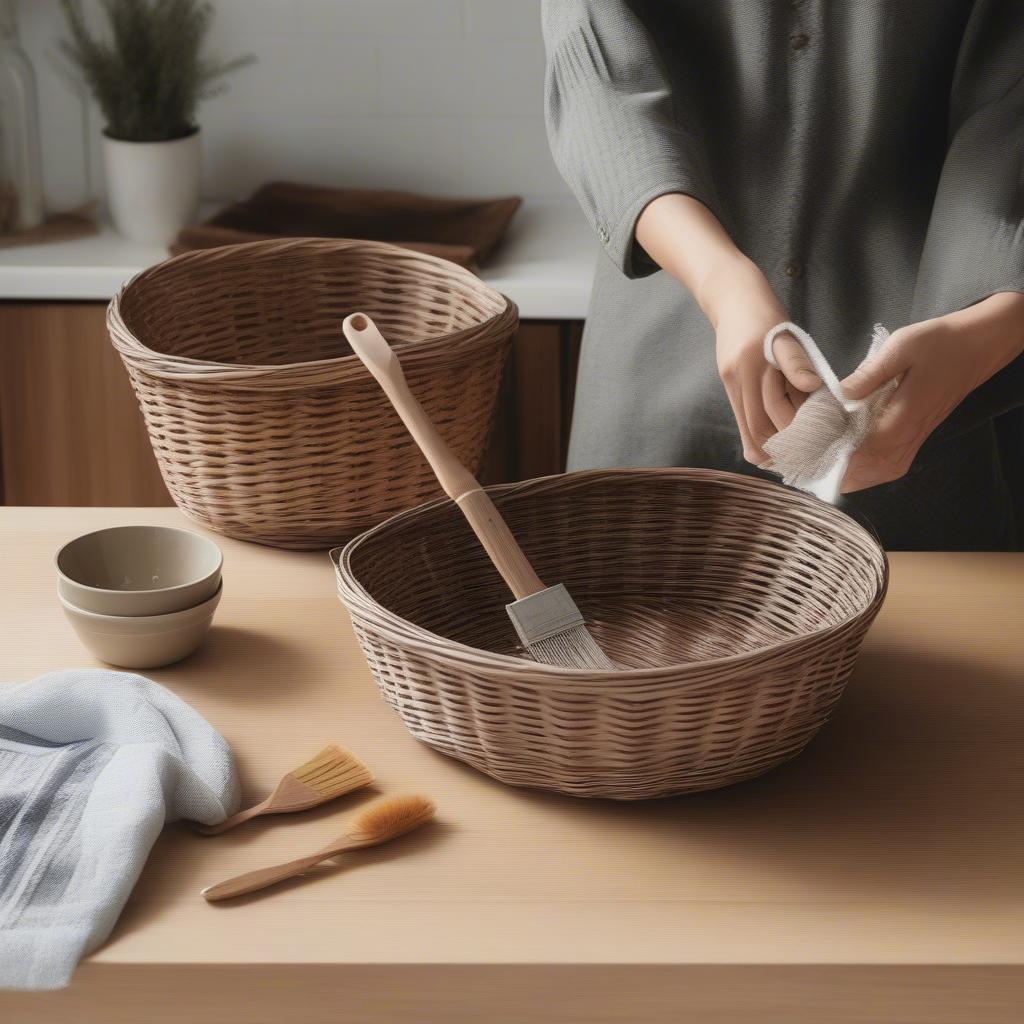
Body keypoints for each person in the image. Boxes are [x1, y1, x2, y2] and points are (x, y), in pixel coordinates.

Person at [542, 0, 1024, 549]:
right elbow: (602, 88)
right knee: (630, 609)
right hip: (667, 349)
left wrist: (994, 324)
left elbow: (1012, 102)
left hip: (944, 376)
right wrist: (719, 281)